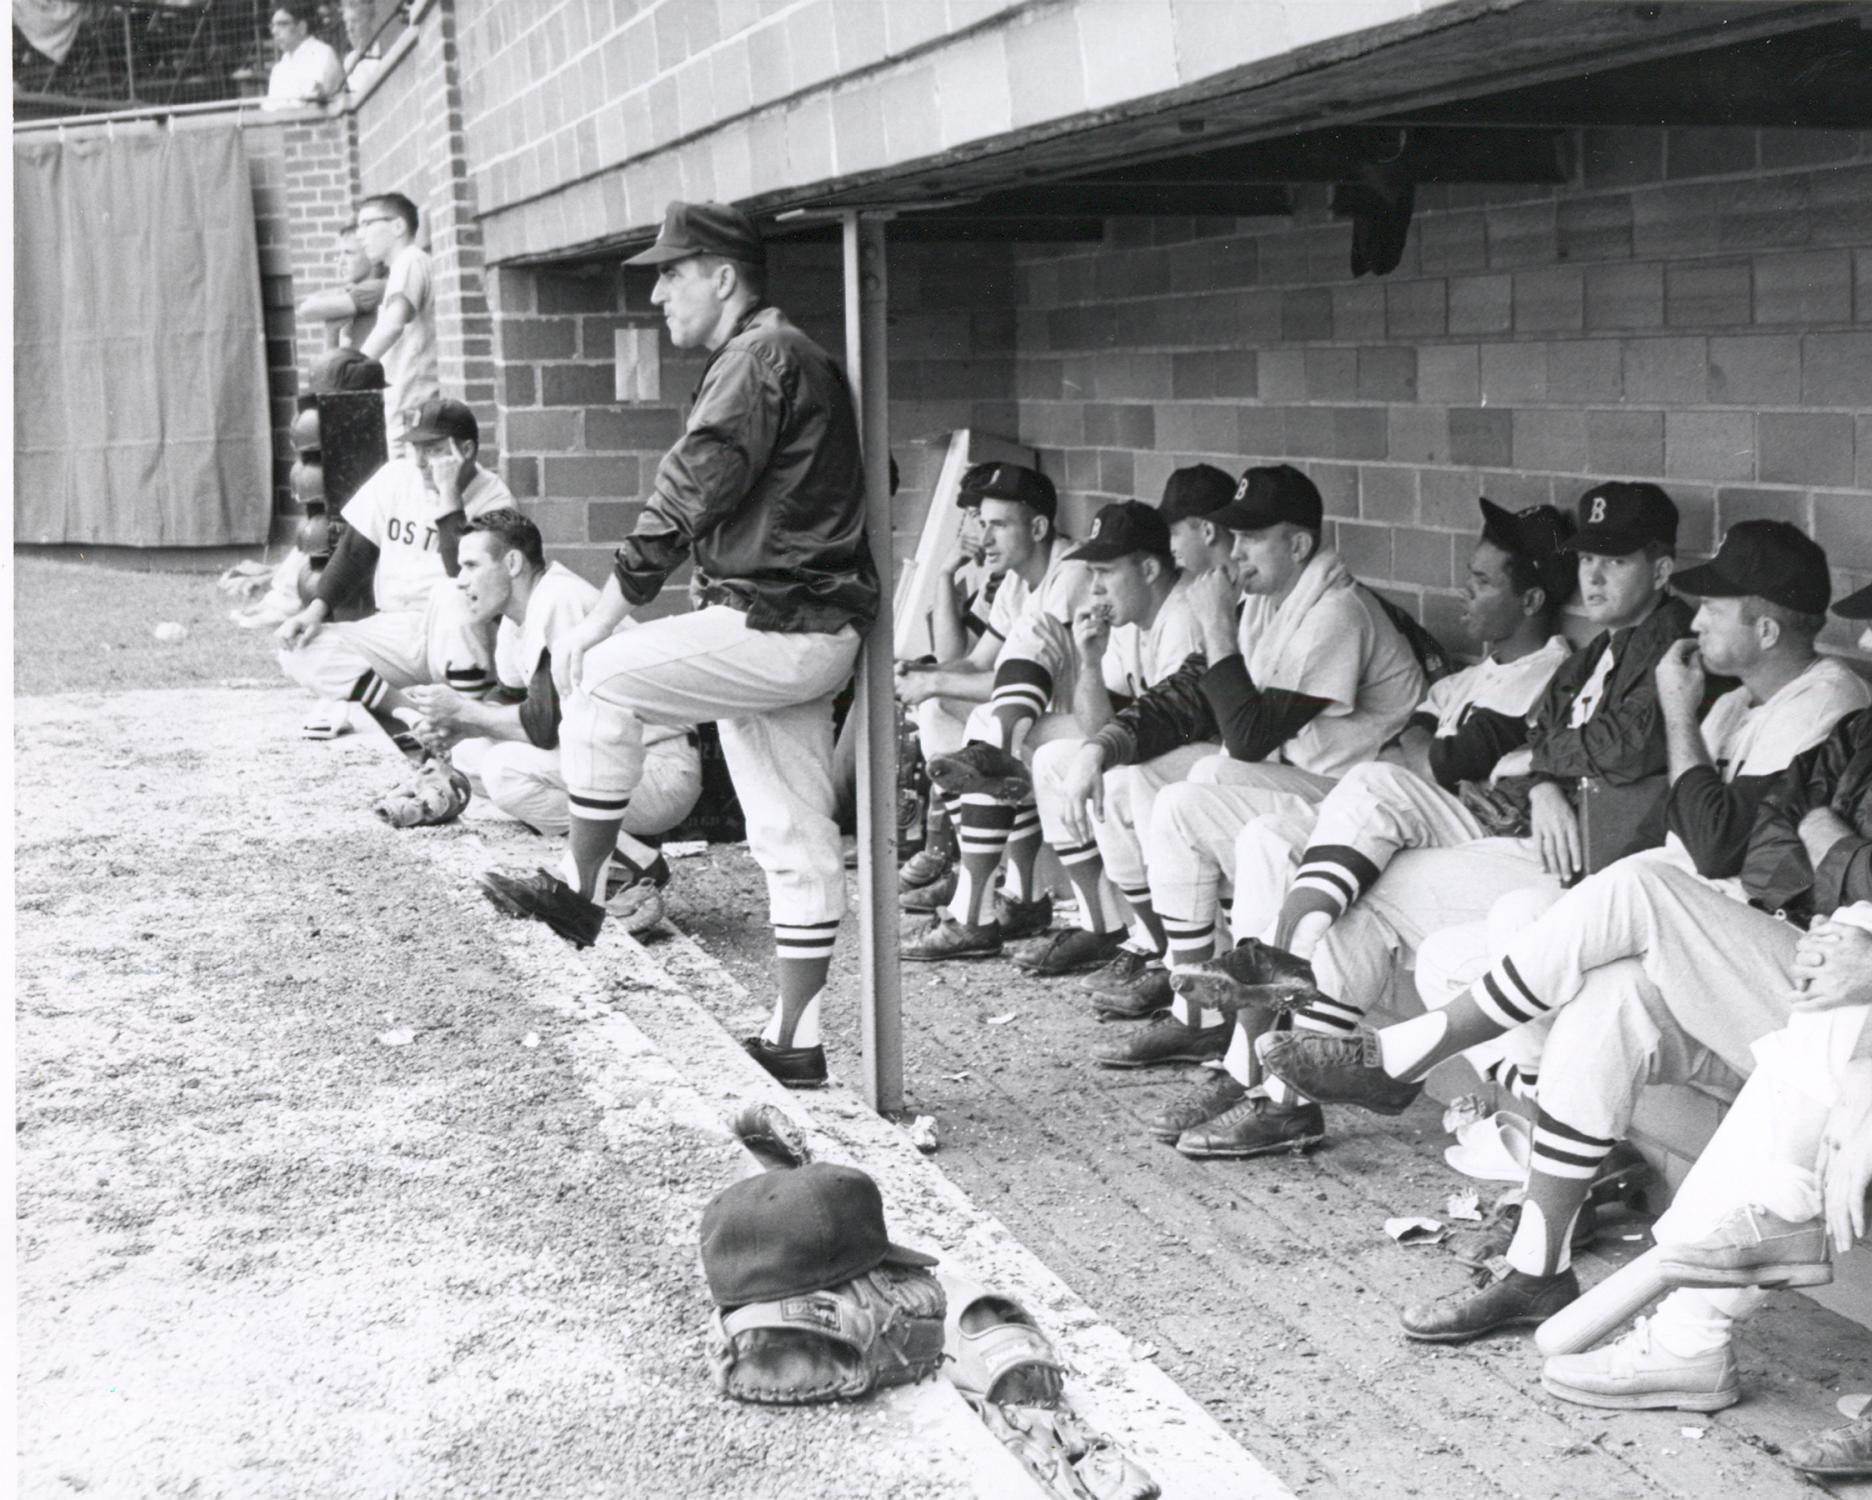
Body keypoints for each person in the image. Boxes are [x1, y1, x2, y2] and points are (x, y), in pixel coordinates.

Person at [1260, 577, 1872, 1343]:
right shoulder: (1860, 734)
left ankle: (1405, 1054)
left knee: (1641, 887)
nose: (1871, 643)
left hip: (1843, 1006)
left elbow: (1738, 843)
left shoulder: (1832, 699)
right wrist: (1826, 846)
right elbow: (1776, 839)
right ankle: (1538, 1266)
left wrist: (1836, 853)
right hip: (1802, 974)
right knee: (1609, 994)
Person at [477, 201, 877, 1096]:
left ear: (724, 277)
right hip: (799, 621)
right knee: (792, 834)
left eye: (673, 271)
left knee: (608, 678)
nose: (657, 291)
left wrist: (600, 616)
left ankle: (580, 898)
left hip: (781, 622)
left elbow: (682, 497)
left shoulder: (760, 356)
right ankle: (795, 1039)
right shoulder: (781, 353)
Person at [1151, 499, 1576, 1156]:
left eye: (1486, 580)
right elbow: (1411, 738)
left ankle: (1279, 981)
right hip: (1424, 825)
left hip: (1487, 848)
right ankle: (1264, 1079)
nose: (1466, 589)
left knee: (1374, 811)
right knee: (1271, 839)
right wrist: (1424, 749)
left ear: (1533, 599)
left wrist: (1425, 751)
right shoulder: (1472, 676)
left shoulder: (1550, 668)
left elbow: (1443, 760)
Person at [1057, 464, 1424, 1071]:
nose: (1236, 551)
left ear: (1299, 545)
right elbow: (1186, 696)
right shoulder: (1267, 602)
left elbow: (1250, 737)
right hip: (1316, 786)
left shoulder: (1336, 609)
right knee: (1184, 783)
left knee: (1195, 794)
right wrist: (1101, 747)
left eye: (1253, 538)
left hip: (1369, 810)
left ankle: (1208, 1008)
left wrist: (1218, 627)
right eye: (1234, 535)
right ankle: (1198, 997)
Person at [912, 467, 1234, 972]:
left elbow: (1175, 722)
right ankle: (1114, 931)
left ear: (1148, 570)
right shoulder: (1125, 620)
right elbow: (1103, 716)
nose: (1096, 588)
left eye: (1106, 574)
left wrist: (1102, 748)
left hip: (1206, 761)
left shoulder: (1185, 613)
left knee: (1114, 775)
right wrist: (1087, 661)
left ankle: (1165, 955)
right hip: (1153, 746)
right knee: (1053, 760)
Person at [404, 510, 702, 931]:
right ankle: (618, 851)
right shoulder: (517, 614)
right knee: (472, 753)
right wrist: (456, 729)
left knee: (505, 770)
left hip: (658, 768)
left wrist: (464, 713)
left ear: (511, 563)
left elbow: (542, 727)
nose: (461, 580)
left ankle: (634, 862)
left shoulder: (557, 599)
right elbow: (509, 700)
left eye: (471, 565)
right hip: (615, 760)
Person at [894, 463, 1074, 923]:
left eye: (997, 525)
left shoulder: (1069, 572)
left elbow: (1023, 683)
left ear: (1036, 527)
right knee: (938, 711)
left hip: (1076, 723)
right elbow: (977, 663)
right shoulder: (1015, 577)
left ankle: (983, 903)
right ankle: (977, 868)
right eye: (981, 523)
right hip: (1039, 723)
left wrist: (932, 679)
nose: (984, 537)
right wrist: (918, 672)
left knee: (987, 726)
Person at [276, 397, 509, 740]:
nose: (422, 462)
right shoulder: (396, 477)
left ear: (467, 449)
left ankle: (466, 718)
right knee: (297, 648)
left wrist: (448, 498)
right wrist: (315, 609)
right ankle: (408, 712)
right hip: (396, 628)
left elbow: (461, 572)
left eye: (433, 449)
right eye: (417, 449)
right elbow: (355, 551)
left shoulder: (495, 499)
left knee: (453, 589)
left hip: (460, 634)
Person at [355, 192, 439, 456]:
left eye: (367, 224)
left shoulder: (409, 260)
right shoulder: (406, 264)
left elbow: (392, 326)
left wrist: (349, 370)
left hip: (412, 405)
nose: (361, 235)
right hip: (406, 404)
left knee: (409, 486)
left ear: (398, 226)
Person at [296, 224, 386, 351]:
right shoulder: (353, 293)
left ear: (372, 254)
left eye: (349, 253)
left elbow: (307, 310)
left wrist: (333, 297)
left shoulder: (379, 288)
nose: (341, 262)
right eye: (340, 255)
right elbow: (333, 360)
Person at [262, 3, 345, 109]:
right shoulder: (278, 69)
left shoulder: (322, 53)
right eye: (272, 26)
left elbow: (312, 104)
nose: (274, 31)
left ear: (302, 27)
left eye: (282, 24)